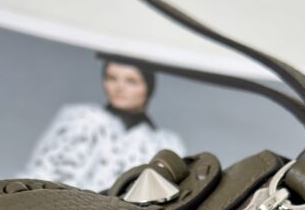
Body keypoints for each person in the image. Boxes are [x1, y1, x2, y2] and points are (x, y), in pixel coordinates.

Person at [20, 56, 186, 191]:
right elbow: (43, 172)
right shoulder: (82, 119)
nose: (119, 87)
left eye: (131, 81)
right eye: (111, 78)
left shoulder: (164, 142)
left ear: (148, 87)